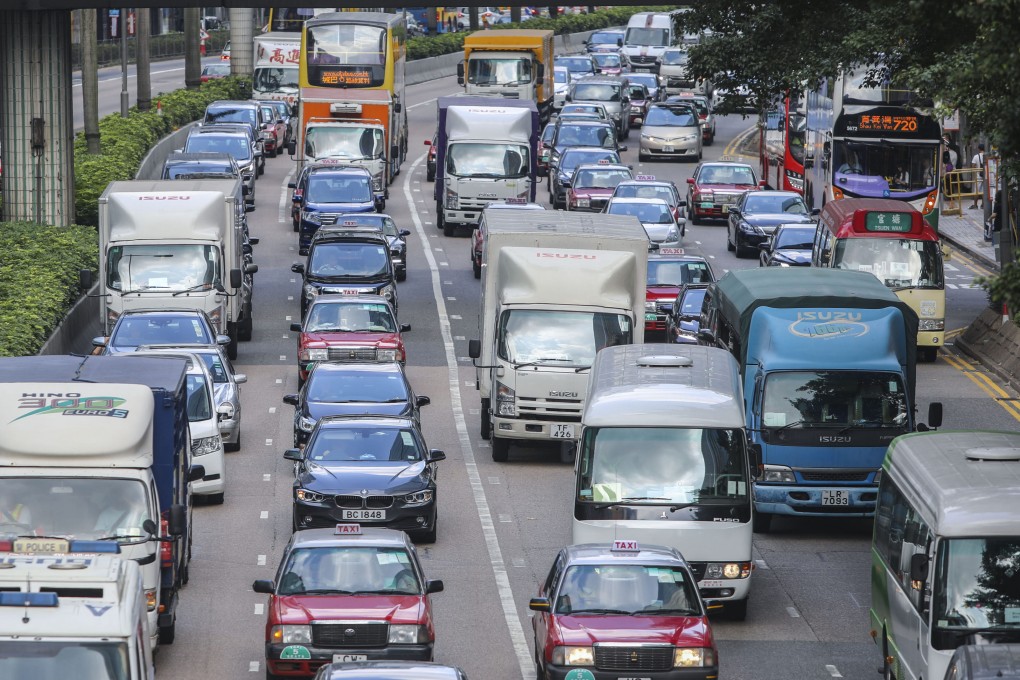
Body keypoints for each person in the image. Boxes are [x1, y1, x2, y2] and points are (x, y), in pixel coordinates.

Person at [970, 143, 985, 209]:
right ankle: (983, 204)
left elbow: (973, 166)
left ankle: (975, 205)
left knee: (977, 191)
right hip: (985, 176)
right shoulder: (987, 155)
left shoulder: (976, 156)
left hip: (978, 176)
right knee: (984, 190)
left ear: (979, 149)